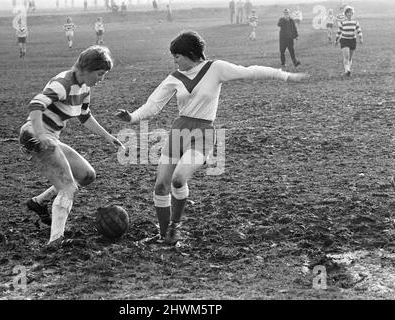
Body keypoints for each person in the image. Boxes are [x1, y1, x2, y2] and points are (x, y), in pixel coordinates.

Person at [115, 30, 308, 245]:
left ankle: (175, 226)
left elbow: (249, 72)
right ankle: (164, 237)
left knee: (179, 179)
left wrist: (284, 75)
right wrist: (132, 117)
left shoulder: (215, 68)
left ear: (190, 53)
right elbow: (153, 105)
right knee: (161, 185)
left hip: (203, 133)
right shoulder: (174, 78)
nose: (175, 60)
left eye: (177, 56)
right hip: (179, 130)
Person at [20, 46, 124, 246]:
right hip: (34, 135)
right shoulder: (64, 83)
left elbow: (85, 116)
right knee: (68, 187)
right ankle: (55, 240)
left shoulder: (84, 88)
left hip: (51, 137)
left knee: (87, 176)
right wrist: (41, 135)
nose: (101, 79)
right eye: (100, 74)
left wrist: (108, 136)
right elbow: (35, 105)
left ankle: (38, 202)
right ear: (86, 69)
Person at [335, 6, 363, 76]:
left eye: (350, 13)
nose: (349, 14)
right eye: (348, 13)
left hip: (352, 40)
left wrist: (361, 38)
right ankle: (347, 70)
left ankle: (348, 69)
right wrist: (336, 40)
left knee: (350, 57)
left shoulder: (355, 22)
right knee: (346, 56)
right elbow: (339, 31)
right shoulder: (342, 22)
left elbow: (359, 30)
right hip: (344, 40)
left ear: (352, 13)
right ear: (345, 14)